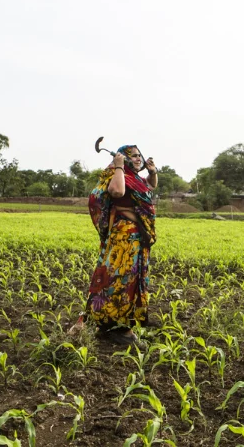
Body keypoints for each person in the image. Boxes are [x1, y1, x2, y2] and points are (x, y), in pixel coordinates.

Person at [70, 145, 158, 345]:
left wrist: (152, 172)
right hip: (123, 238)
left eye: (139, 156)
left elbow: (150, 187)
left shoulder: (135, 178)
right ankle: (114, 326)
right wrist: (119, 166)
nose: (138, 159)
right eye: (133, 156)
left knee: (131, 280)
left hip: (136, 239)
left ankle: (117, 325)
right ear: (124, 158)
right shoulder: (118, 175)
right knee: (120, 279)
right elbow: (116, 192)